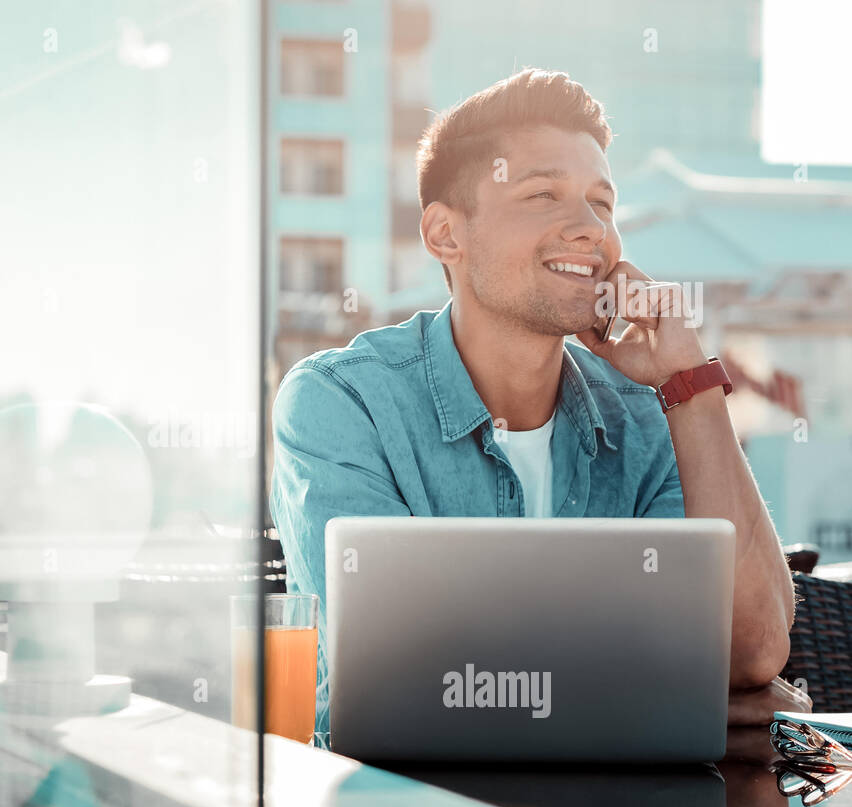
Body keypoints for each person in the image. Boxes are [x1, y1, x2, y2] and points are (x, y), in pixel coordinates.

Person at [268, 68, 810, 750]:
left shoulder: (649, 412)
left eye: (603, 204)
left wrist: (690, 385)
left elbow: (753, 652)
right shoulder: (341, 403)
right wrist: (665, 694)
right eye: (543, 194)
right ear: (444, 235)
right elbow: (401, 677)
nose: (590, 229)